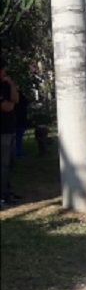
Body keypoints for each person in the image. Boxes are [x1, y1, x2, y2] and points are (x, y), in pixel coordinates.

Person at [0, 59, 20, 207]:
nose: (5, 72)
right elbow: (7, 107)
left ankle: (7, 191)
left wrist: (11, 84)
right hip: (2, 131)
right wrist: (11, 103)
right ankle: (3, 195)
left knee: (10, 163)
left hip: (10, 129)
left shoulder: (5, 85)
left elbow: (15, 99)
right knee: (3, 165)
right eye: (3, 70)